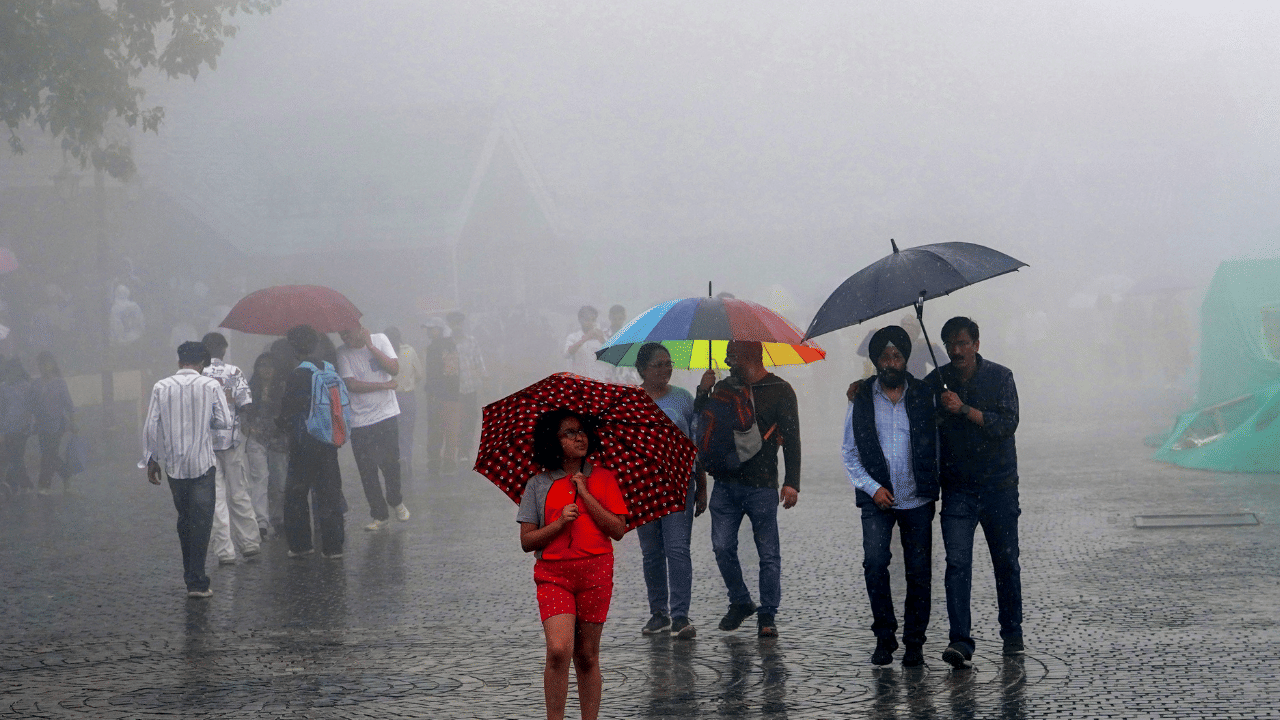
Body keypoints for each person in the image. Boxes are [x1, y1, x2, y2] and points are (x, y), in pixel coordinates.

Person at [923, 316, 1024, 667]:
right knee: (957, 565)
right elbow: (904, 397)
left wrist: (964, 409)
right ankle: (960, 640)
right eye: (950, 343)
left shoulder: (1000, 377)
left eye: (963, 342)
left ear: (977, 345)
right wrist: (864, 387)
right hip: (957, 491)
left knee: (1006, 563)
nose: (957, 349)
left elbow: (1007, 423)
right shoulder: (938, 382)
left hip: (999, 487)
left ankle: (1012, 634)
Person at [517, 409, 628, 720]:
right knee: (558, 650)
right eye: (569, 432)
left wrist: (585, 494)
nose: (580, 437)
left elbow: (617, 530)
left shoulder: (604, 478)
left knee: (588, 657)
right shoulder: (537, 484)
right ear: (554, 440)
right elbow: (527, 541)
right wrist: (557, 524)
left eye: (582, 431)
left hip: (596, 572)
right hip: (554, 575)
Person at [843, 326, 939, 667]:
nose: (891, 362)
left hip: (918, 498)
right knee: (874, 563)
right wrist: (873, 488)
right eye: (884, 357)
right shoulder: (861, 399)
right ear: (875, 362)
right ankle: (885, 637)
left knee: (919, 572)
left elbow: (942, 440)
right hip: (876, 498)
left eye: (897, 355)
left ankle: (914, 643)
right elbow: (849, 453)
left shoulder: (925, 394)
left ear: (906, 359)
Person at [696, 340, 801, 638]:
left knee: (768, 553)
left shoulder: (780, 390)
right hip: (725, 483)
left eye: (734, 356)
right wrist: (703, 392)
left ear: (752, 356)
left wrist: (792, 482)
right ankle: (740, 600)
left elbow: (792, 438)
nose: (728, 361)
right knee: (722, 546)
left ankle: (767, 613)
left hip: (762, 485)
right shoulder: (723, 388)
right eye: (728, 355)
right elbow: (702, 428)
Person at [141, 341, 232, 598]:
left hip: (175, 467)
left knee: (185, 520)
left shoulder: (161, 387)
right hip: (203, 464)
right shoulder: (211, 386)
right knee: (202, 522)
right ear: (202, 364)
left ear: (180, 362)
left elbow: (150, 426)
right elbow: (224, 421)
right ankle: (197, 579)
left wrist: (151, 459)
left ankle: (190, 576)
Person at [634, 343, 707, 639]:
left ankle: (680, 615)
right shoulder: (631, 402)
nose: (666, 369)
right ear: (642, 370)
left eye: (668, 363)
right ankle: (658, 613)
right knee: (651, 553)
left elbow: (696, 445)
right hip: (642, 488)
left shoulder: (683, 399)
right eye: (659, 365)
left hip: (679, 485)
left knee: (677, 550)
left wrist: (702, 487)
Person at [277, 325, 346, 559]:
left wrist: (281, 426)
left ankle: (300, 544)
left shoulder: (297, 374)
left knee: (296, 494)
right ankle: (334, 546)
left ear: (294, 348)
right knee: (329, 492)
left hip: (303, 442)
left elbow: (288, 411)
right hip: (328, 440)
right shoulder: (329, 369)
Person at [336, 323, 408, 530]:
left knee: (391, 463)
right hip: (360, 420)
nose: (346, 340)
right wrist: (383, 386)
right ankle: (379, 514)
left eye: (348, 333)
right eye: (342, 335)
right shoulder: (342, 353)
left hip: (387, 414)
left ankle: (396, 500)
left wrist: (371, 347)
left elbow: (394, 368)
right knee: (367, 470)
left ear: (360, 329)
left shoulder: (380, 340)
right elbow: (351, 385)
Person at [201, 332, 261, 564]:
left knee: (215, 499)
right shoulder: (234, 372)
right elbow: (246, 405)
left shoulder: (198, 376)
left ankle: (225, 552)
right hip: (232, 441)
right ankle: (250, 543)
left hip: (206, 445)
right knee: (239, 493)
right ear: (224, 350)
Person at [244, 352, 289, 537]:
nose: (266, 369)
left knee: (279, 482)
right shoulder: (250, 388)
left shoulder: (283, 388)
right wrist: (246, 426)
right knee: (259, 480)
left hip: (278, 441)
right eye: (262, 365)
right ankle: (261, 522)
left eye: (270, 365)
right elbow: (243, 411)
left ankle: (278, 518)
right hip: (256, 440)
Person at [384, 327, 423, 486]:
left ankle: (396, 460)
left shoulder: (384, 354)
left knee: (393, 432)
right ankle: (406, 458)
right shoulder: (409, 351)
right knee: (407, 431)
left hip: (390, 397)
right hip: (408, 397)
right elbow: (420, 374)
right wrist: (409, 382)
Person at [421, 318, 459, 476]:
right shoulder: (449, 345)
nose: (429, 332)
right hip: (448, 394)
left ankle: (436, 461)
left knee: (438, 428)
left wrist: (434, 391)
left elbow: (439, 373)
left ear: (440, 329)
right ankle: (446, 460)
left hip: (441, 395)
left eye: (432, 329)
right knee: (448, 428)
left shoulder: (438, 347)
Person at [33, 352, 74, 495]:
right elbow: (33, 404)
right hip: (42, 425)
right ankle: (65, 474)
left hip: (57, 424)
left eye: (47, 363)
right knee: (49, 454)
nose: (44, 367)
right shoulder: (36, 384)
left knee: (48, 454)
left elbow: (68, 404)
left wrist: (73, 422)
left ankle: (44, 484)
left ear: (52, 365)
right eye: (41, 364)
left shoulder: (59, 383)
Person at [448, 312, 487, 463]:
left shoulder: (472, 341)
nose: (457, 326)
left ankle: (465, 449)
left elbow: (479, 363)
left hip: (471, 387)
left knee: (470, 419)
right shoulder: (447, 343)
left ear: (463, 324)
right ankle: (454, 450)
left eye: (459, 323)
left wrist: (483, 384)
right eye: (454, 323)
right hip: (453, 389)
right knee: (455, 420)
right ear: (450, 325)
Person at [0, 358, 35, 495]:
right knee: (12, 457)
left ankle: (14, 485)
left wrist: (29, 424)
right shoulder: (3, 387)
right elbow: (1, 410)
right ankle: (23, 482)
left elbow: (31, 407)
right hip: (8, 428)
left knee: (16, 456)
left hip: (22, 428)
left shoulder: (26, 387)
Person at [563, 305, 609, 381]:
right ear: (580, 320)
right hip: (580, 384)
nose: (591, 323)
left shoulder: (602, 338)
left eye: (593, 320)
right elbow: (566, 354)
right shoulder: (573, 337)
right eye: (587, 320)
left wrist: (603, 341)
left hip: (599, 383)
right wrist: (584, 339)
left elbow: (612, 359)